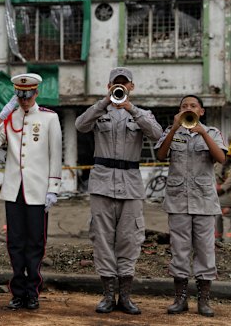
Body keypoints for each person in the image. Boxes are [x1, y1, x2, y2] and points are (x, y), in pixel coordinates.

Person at [75, 67, 162, 315]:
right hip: (102, 184)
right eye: (116, 84)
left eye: (124, 84)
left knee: (130, 240)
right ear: (109, 85)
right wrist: (105, 102)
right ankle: (106, 297)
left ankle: (125, 297)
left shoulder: (142, 114)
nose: (120, 88)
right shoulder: (99, 111)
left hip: (131, 185)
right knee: (102, 240)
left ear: (132, 87)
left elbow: (157, 135)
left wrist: (131, 109)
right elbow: (80, 125)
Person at [0, 73, 62, 310]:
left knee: (36, 243)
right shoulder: (10, 118)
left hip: (38, 190)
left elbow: (55, 155)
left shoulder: (50, 118)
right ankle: (17, 291)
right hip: (14, 190)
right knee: (15, 242)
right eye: (20, 96)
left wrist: (54, 188)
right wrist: (1, 117)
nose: (24, 100)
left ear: (36, 93)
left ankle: (33, 291)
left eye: (28, 96)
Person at [155, 95, 226, 317]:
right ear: (178, 110)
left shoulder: (212, 131)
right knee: (180, 251)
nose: (188, 108)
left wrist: (203, 133)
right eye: (184, 106)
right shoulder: (171, 131)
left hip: (204, 202)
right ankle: (180, 299)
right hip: (178, 202)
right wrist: (175, 128)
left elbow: (221, 158)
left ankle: (203, 301)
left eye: (193, 106)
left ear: (201, 111)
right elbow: (160, 155)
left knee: (205, 251)